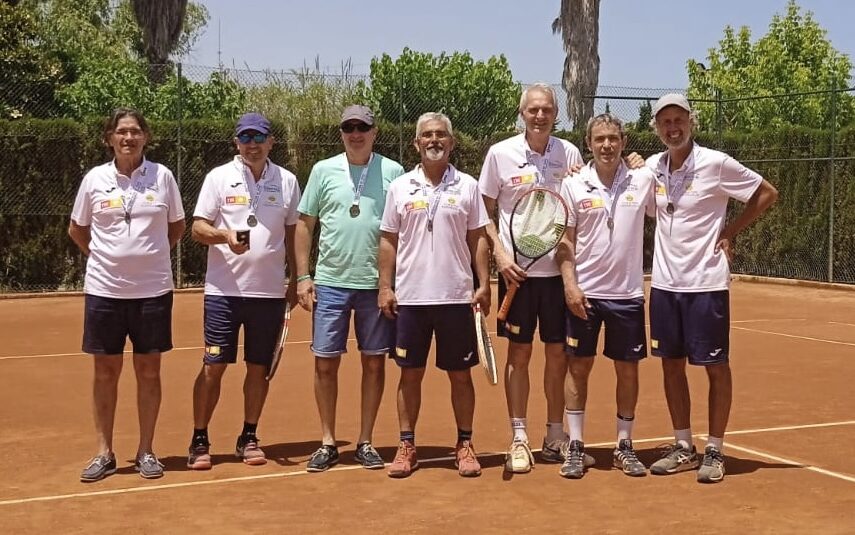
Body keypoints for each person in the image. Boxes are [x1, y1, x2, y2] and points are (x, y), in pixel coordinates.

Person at [646, 94, 778, 483]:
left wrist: (729, 231)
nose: (673, 128)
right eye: (665, 122)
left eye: (679, 120)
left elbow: (766, 193)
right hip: (665, 285)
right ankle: (684, 446)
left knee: (715, 367)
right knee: (671, 365)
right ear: (657, 128)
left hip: (706, 284)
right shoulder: (653, 167)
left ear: (692, 122)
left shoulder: (716, 163)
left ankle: (715, 450)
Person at [69, 108, 186, 482]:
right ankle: (104, 453)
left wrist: (150, 257)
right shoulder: (94, 179)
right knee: (105, 372)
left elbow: (177, 226)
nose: (129, 138)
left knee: (149, 371)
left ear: (146, 137)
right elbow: (77, 229)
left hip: (153, 292)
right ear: (109, 138)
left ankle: (146, 451)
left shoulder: (162, 176)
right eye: (121, 132)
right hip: (104, 291)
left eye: (135, 131)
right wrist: (104, 258)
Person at [479, 83, 586, 473]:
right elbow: (483, 211)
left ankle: (555, 436)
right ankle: (519, 437)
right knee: (519, 355)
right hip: (517, 275)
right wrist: (500, 254)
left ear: (556, 114)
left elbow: (584, 199)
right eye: (533, 110)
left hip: (558, 274)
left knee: (558, 355)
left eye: (547, 110)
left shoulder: (569, 153)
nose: (540, 116)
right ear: (522, 113)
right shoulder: (500, 154)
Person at [378, 112, 491, 478]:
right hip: (410, 298)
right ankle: (406, 445)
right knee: (409, 374)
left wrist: (484, 283)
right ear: (416, 143)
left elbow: (478, 238)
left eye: (441, 134)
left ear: (452, 142)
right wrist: (385, 286)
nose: (434, 140)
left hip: (456, 297)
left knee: (460, 375)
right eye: (426, 135)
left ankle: (465, 444)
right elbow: (388, 240)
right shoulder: (400, 187)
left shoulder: (468, 186)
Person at [295, 105, 405, 472]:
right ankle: (328, 442)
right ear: (341, 133)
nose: (355, 134)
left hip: (376, 286)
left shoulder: (394, 172)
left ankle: (365, 441)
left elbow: (402, 228)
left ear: (375, 132)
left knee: (374, 362)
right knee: (325, 363)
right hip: (330, 283)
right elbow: (305, 224)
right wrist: (303, 276)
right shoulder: (322, 170)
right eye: (349, 128)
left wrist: (394, 282)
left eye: (362, 127)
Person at [188, 112, 300, 470]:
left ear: (271, 142)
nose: (253, 145)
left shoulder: (287, 181)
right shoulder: (218, 177)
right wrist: (224, 236)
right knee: (214, 365)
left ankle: (249, 436)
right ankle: (200, 439)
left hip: (268, 295)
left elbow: (294, 233)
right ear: (236, 142)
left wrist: (297, 278)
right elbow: (197, 228)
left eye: (259, 138)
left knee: (258, 368)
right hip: (223, 293)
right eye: (246, 138)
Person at [556, 113, 655, 479]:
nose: (607, 145)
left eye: (613, 138)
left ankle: (624, 446)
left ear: (624, 142)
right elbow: (564, 241)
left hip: (627, 295)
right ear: (588, 144)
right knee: (577, 368)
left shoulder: (643, 178)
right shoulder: (573, 184)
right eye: (599, 139)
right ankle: (576, 445)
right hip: (585, 295)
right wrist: (570, 285)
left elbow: (671, 210)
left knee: (627, 370)